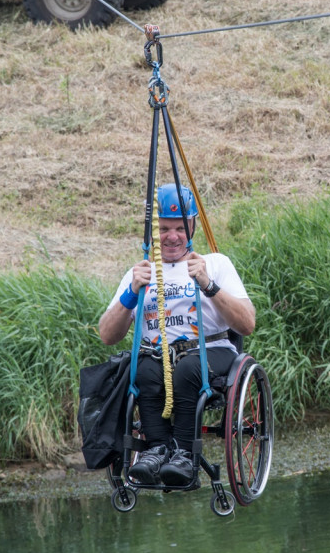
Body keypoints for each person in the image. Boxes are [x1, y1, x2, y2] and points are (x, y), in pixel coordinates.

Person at [98, 184, 256, 487]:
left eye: (180, 228)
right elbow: (107, 334)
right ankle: (157, 450)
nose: (172, 236)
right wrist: (132, 292)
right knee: (141, 367)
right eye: (164, 229)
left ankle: (184, 454)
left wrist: (208, 285)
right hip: (156, 356)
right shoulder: (141, 273)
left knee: (187, 369)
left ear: (192, 226)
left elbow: (247, 323)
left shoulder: (216, 263)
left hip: (210, 352)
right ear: (153, 233)